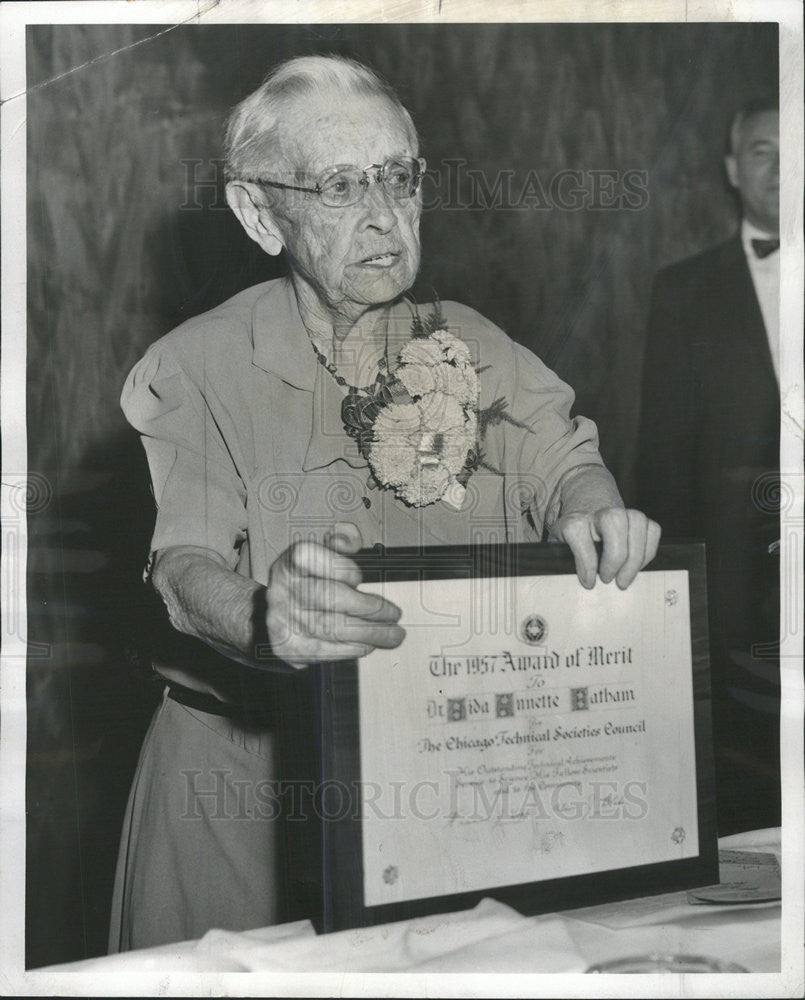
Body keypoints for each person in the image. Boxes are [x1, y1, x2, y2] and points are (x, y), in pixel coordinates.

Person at [109, 54, 661, 952]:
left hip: (430, 782)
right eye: (336, 186)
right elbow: (181, 569)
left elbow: (564, 462)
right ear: (259, 213)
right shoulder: (198, 364)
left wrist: (595, 512)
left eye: (398, 178)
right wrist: (264, 618)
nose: (381, 218)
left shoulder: (474, 343)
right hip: (241, 792)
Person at [636, 96, 780, 836]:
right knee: (748, 808)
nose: (784, 170)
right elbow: (661, 464)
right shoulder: (684, 292)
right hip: (734, 601)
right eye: (762, 150)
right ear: (731, 168)